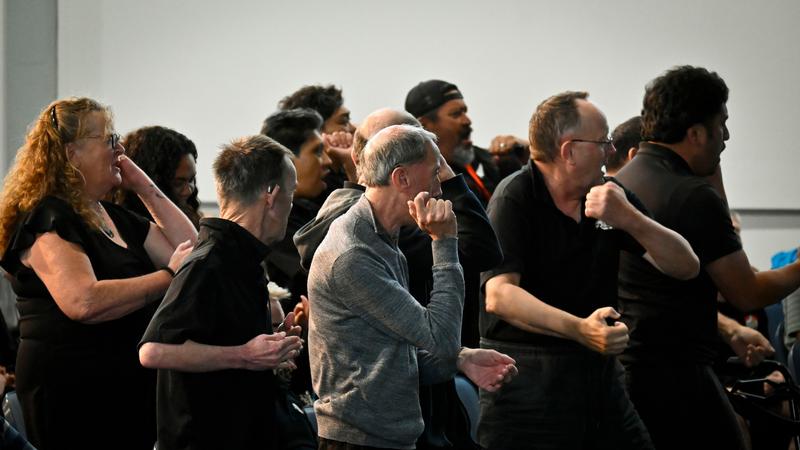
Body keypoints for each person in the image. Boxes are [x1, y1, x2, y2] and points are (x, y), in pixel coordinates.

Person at [480, 91, 700, 449]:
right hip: (528, 380)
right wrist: (580, 329)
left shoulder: (608, 195)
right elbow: (500, 296)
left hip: (598, 376)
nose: (610, 151)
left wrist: (631, 219)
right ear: (568, 151)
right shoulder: (515, 196)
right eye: (603, 141)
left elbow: (686, 267)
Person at [614, 65, 800, 450]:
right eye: (722, 124)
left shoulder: (625, 180)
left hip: (627, 371)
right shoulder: (692, 196)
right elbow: (746, 292)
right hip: (676, 378)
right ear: (696, 133)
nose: (727, 137)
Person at [295, 108, 502, 449]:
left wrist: (461, 359)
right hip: (359, 441)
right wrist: (445, 243)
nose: (440, 188)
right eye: (435, 174)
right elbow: (440, 340)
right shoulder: (353, 253)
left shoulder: (383, 236)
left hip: (389, 436)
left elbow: (389, 354)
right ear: (402, 179)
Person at [0, 97, 197, 450]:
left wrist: (141, 184)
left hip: (123, 383)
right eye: (108, 140)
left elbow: (193, 253)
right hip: (72, 389)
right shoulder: (49, 217)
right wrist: (168, 276)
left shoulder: (112, 216)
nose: (119, 148)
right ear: (71, 154)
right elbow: (84, 301)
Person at [139, 134, 305, 450]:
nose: (291, 205)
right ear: (271, 196)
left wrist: (271, 346)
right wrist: (245, 355)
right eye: (291, 194)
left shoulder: (244, 257)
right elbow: (153, 351)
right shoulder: (209, 262)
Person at [260, 108, 331, 308]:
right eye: (317, 151)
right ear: (287, 161)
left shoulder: (309, 208)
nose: (328, 161)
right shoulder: (271, 221)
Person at [405, 80, 501, 206]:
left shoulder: (487, 161)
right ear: (425, 126)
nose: (467, 121)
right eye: (456, 114)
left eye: (465, 112)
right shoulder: (424, 186)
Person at [117, 125, 201, 228]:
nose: (188, 190)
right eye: (178, 183)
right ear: (153, 180)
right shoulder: (127, 227)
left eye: (191, 180)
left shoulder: (193, 221)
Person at [280, 85, 357, 196]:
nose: (353, 128)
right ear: (317, 132)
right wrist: (353, 169)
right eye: (343, 121)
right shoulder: (313, 189)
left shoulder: (341, 173)